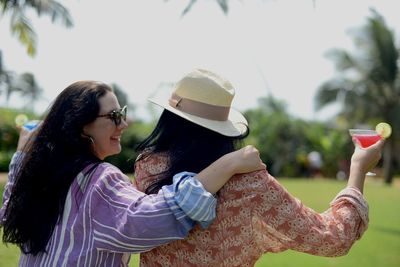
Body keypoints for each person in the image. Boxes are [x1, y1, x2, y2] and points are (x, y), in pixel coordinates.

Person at [134, 69, 384, 266]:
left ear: (169, 117)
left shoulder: (147, 167)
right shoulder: (249, 183)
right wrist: (358, 168)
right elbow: (333, 238)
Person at [0, 80, 266, 266]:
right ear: (82, 126)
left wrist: (22, 155)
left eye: (122, 113)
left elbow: (9, 209)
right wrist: (230, 163)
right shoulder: (98, 180)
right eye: (114, 115)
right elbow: (152, 218)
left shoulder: (41, 174)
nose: (124, 123)